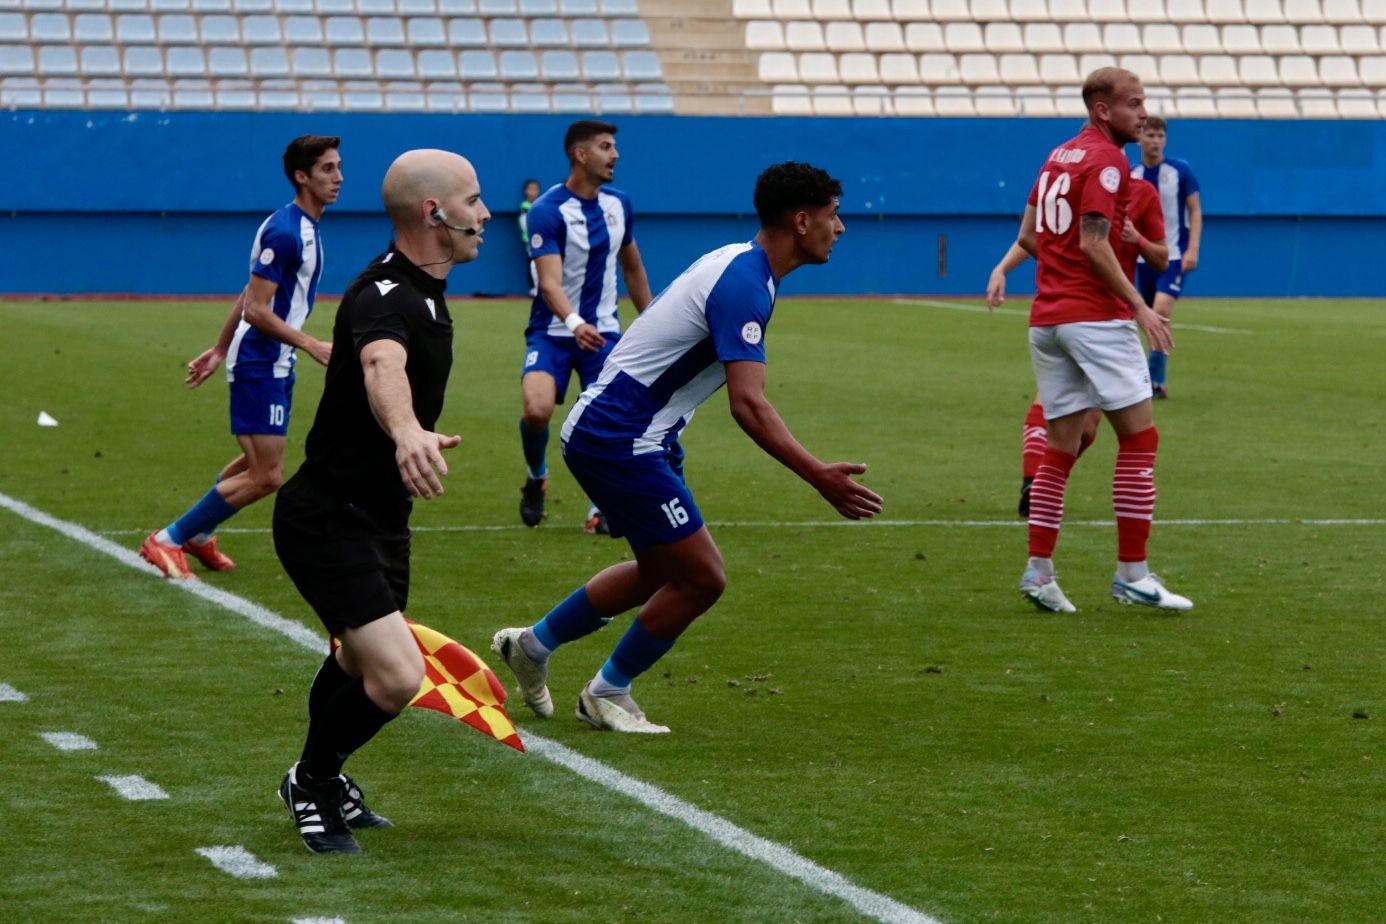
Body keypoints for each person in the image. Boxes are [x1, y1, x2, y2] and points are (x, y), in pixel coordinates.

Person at [491, 162, 884, 734]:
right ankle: (606, 692)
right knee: (702, 577)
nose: (840, 228)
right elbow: (748, 404)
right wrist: (818, 474)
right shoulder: (745, 284)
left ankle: (533, 645)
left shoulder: (739, 264)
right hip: (620, 438)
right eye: (832, 216)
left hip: (631, 432)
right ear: (802, 221)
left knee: (658, 569)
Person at [271, 149, 490, 855]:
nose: (484, 215)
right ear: (435, 213)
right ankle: (312, 780)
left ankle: (317, 778)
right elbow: (378, 362)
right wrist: (405, 432)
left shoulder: (424, 291)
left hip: (380, 517)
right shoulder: (388, 296)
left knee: (355, 662)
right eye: (474, 201)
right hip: (326, 517)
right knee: (397, 676)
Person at [1002, 67, 1192, 614]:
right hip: (1096, 320)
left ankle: (1039, 572)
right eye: (1134, 104)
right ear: (1102, 110)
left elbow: (1028, 236)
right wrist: (1138, 307)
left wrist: (1061, 273)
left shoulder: (1057, 155)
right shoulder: (1108, 162)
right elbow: (1093, 242)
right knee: (1139, 441)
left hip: (1048, 320)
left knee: (1059, 451)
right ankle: (1133, 574)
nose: (1142, 113)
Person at [138, 135, 342, 580]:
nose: (339, 177)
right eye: (327, 169)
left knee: (258, 466)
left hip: (275, 359)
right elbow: (257, 308)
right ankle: (168, 538)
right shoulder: (286, 232)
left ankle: (198, 534)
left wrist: (217, 348)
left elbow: (252, 294)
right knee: (268, 476)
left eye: (338, 167)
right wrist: (310, 343)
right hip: (261, 360)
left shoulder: (301, 228)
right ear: (301, 176)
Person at [987, 176, 1168, 517]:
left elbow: (1161, 257)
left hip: (1096, 316)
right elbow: (1035, 236)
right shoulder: (1075, 185)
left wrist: (1137, 239)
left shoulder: (1143, 194)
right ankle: (1034, 485)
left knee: (1085, 427)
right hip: (1088, 318)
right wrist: (1002, 268)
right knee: (1120, 431)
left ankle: (1042, 491)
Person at [517, 120, 654, 534]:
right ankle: (536, 475)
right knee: (537, 410)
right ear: (581, 154)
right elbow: (549, 282)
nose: (615, 155)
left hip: (606, 335)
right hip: (553, 332)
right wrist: (575, 323)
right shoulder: (548, 210)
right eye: (606, 146)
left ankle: (600, 508)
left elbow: (632, 267)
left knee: (607, 423)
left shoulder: (619, 204)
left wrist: (652, 323)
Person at [1131, 115, 1202, 399]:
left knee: (1160, 310)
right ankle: (1150, 379)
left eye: (1160, 136)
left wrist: (1193, 248)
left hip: (1173, 256)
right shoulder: (1132, 174)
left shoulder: (1179, 171)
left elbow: (1195, 210)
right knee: (1146, 318)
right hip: (1142, 258)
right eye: (1150, 135)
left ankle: (1153, 379)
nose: (1155, 141)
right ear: (1140, 138)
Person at [517, 178, 540, 296]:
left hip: (540, 239)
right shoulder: (525, 206)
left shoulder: (540, 204)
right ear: (526, 191)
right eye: (530, 189)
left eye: (535, 189)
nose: (533, 192)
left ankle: (539, 287)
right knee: (532, 263)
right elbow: (524, 223)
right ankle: (533, 288)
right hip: (530, 240)